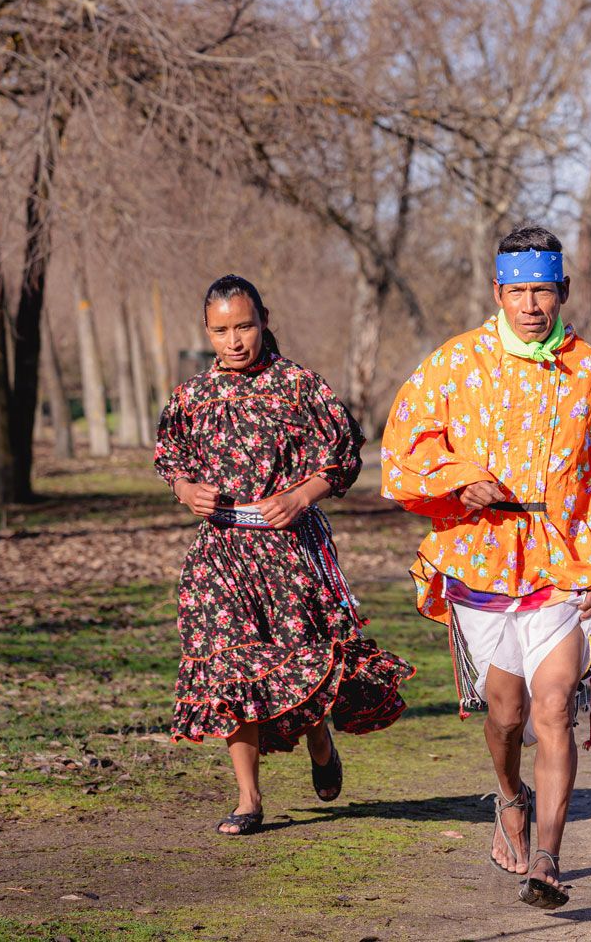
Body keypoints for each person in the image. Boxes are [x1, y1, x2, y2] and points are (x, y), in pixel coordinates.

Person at [380, 226, 591, 909]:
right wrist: (456, 480)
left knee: (555, 707)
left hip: (564, 561)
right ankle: (510, 795)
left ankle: (549, 858)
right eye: (518, 291)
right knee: (505, 713)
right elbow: (404, 447)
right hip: (482, 560)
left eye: (543, 290)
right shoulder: (454, 364)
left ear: (562, 292)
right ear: (498, 292)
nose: (531, 303)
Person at [155, 275, 414, 837]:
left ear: (264, 319)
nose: (235, 341)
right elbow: (170, 457)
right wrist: (185, 490)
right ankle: (248, 798)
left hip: (289, 548)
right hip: (220, 553)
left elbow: (344, 456)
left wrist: (301, 494)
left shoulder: (299, 386)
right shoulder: (191, 398)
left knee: (302, 659)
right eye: (222, 330)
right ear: (207, 332)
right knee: (227, 665)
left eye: (244, 326)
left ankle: (318, 737)